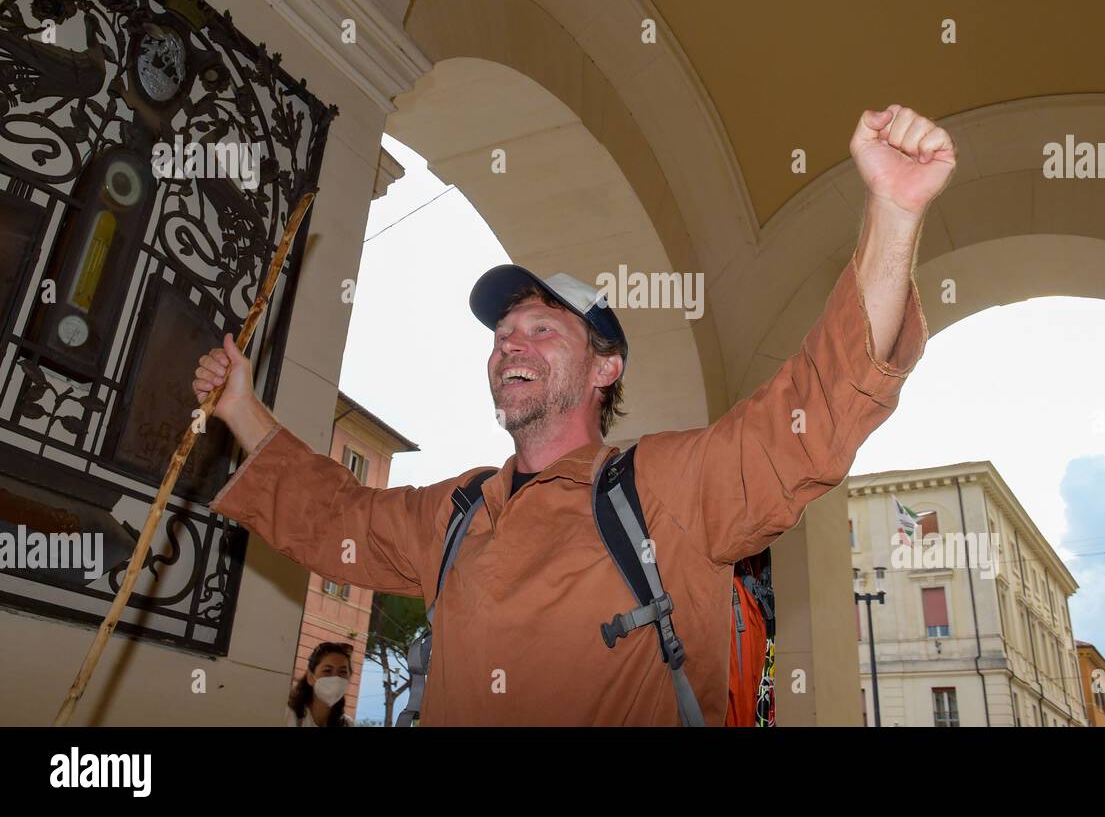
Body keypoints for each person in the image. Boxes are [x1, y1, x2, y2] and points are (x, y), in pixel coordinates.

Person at [193, 105, 951, 725]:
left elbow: (813, 413)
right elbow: (334, 517)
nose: (509, 344)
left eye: (541, 329)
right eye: (501, 334)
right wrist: (245, 409)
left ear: (605, 367)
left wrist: (891, 215)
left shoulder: (661, 487)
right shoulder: (455, 512)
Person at [285, 641, 355, 727]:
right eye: (327, 671)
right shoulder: (287, 715)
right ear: (310, 677)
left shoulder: (347, 724)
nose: (336, 678)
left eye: (342, 672)